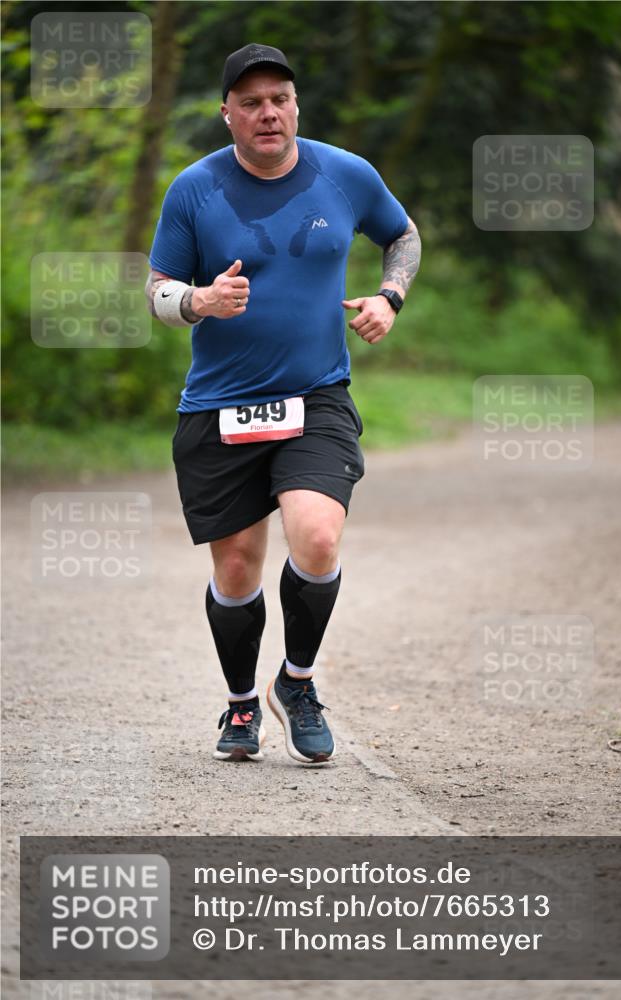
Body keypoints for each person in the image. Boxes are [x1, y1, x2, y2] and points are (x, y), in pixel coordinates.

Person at [146, 43, 421, 765]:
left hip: (316, 395)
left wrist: (389, 297)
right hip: (219, 404)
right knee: (236, 569)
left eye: (280, 99)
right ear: (227, 114)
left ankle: (295, 683)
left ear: (295, 105)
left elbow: (402, 235)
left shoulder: (345, 174)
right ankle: (241, 706)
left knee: (318, 537)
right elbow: (157, 294)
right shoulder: (194, 190)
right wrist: (198, 301)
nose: (268, 113)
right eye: (251, 103)